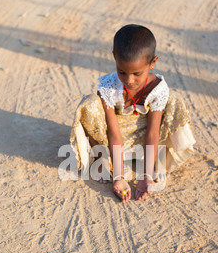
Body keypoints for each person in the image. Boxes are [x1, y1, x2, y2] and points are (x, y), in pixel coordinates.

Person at [70, 24, 195, 202]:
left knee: (175, 100)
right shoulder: (108, 87)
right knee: (89, 104)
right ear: (115, 58)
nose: (129, 80)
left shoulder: (158, 89)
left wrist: (146, 175)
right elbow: (113, 133)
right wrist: (119, 177)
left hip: (144, 138)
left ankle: (153, 161)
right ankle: (103, 158)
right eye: (122, 72)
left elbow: (152, 133)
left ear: (153, 63)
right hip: (115, 139)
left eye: (137, 73)